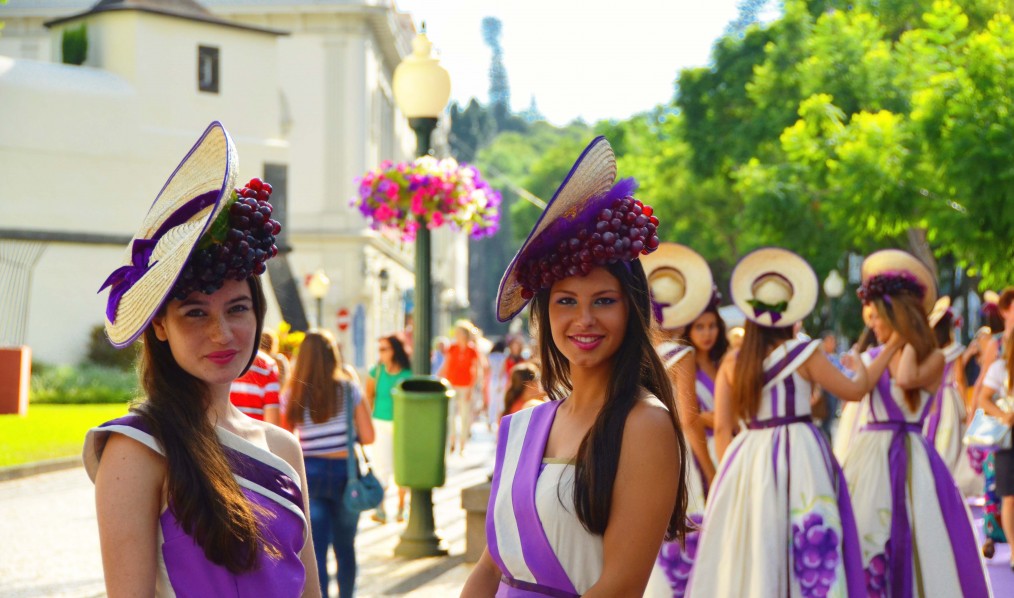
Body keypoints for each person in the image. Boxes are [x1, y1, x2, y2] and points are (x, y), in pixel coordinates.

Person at [84, 122, 320, 596]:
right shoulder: (138, 449)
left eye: (238, 308)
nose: (222, 333)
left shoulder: (282, 448)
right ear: (160, 325)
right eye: (195, 313)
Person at [461, 136, 689, 597]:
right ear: (544, 315)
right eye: (566, 301)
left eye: (604, 301)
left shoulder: (644, 425)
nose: (584, 319)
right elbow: (491, 565)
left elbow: (620, 587)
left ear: (632, 310)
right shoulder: (524, 424)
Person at [687, 247, 868, 597]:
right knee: (808, 531)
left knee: (755, 541)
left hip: (748, 454)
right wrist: (864, 366)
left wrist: (729, 476)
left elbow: (722, 428)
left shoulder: (733, 362)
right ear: (790, 311)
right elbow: (855, 391)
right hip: (801, 452)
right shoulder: (806, 353)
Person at [842, 249, 989, 596]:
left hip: (912, 456)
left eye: (878, 318)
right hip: (869, 458)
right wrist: (888, 347)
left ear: (896, 319)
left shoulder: (934, 358)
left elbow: (907, 378)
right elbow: (860, 390)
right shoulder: (872, 357)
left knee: (919, 535)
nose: (872, 325)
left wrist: (902, 341)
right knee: (867, 534)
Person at [639, 243, 722, 597]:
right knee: (689, 540)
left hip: (641, 451)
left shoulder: (638, 353)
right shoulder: (681, 354)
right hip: (677, 454)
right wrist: (712, 471)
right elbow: (688, 420)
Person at [283, 330, 374, 598]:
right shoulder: (348, 389)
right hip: (347, 475)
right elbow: (369, 436)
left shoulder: (293, 393)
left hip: (309, 474)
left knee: (316, 552)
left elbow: (285, 439)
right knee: (346, 548)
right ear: (333, 355)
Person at [364, 333, 412, 524]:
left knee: (402, 467)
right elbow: (368, 397)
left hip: (403, 426)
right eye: (380, 349)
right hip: (380, 424)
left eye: (384, 349)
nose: (381, 353)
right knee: (381, 467)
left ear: (395, 350)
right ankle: (381, 508)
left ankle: (401, 507)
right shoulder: (375, 372)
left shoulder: (408, 374)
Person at [975, 338, 1014, 566]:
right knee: (1008, 496)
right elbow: (983, 397)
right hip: (1007, 438)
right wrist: (1003, 415)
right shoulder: (1001, 368)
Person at [439, 321, 482, 455]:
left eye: (458, 332)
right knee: (451, 414)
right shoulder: (452, 348)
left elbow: (476, 370)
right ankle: (452, 440)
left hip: (466, 386)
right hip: (452, 385)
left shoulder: (472, 350)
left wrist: (471, 388)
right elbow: (446, 365)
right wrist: (438, 377)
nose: (456, 335)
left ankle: (462, 444)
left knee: (464, 416)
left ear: (464, 334)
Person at [229, 348, 282, 425]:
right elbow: (272, 423)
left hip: (220, 431)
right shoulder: (267, 366)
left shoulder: (215, 363)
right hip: (255, 431)